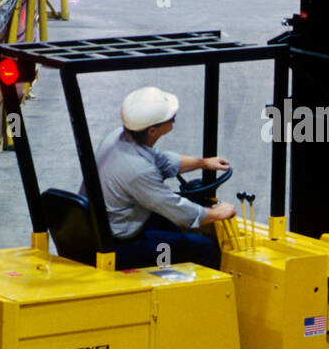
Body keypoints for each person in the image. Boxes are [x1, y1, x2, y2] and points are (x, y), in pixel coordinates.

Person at [90, 86, 235, 270]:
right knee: (204, 247)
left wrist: (203, 163)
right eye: (171, 118)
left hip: (114, 222)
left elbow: (163, 161)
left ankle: (170, 272)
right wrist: (217, 214)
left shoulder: (119, 137)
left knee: (171, 226)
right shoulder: (138, 171)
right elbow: (178, 211)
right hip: (122, 246)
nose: (174, 119)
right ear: (152, 131)